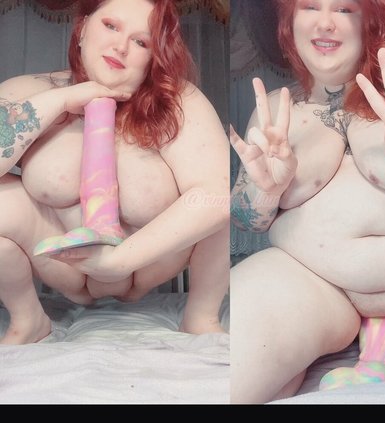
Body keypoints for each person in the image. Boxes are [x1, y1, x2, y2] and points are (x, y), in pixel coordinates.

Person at [230, 0, 385, 403]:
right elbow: (247, 219)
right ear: (289, 21)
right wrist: (266, 189)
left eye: (343, 9)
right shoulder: (276, 112)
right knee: (239, 359)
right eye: (310, 7)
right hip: (319, 288)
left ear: (372, 17)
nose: (325, 23)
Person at [0, 0, 229, 345]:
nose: (121, 46)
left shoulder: (179, 101)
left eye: (141, 41)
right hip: (61, 264)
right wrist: (62, 101)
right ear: (82, 28)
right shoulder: (30, 90)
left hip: (144, 267)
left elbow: (217, 196)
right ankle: (27, 318)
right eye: (111, 26)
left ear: (154, 55)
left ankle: (201, 315)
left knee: (218, 201)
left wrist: (120, 260)